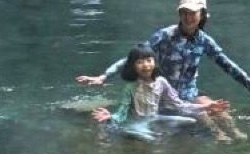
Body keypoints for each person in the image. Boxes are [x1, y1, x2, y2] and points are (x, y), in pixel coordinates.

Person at [76, 0, 250, 116]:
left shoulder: (204, 41)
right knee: (205, 117)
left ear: (202, 15)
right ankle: (219, 145)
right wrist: (104, 76)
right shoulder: (164, 36)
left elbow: (228, 66)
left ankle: (238, 143)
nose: (188, 17)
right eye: (184, 12)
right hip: (163, 97)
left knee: (222, 114)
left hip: (189, 96)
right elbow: (133, 58)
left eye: (192, 13)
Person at [91, 43, 235, 138]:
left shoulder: (162, 82)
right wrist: (111, 117)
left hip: (155, 118)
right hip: (137, 122)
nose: (145, 65)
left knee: (190, 121)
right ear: (133, 66)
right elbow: (122, 112)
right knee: (152, 139)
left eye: (148, 60)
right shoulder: (130, 87)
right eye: (139, 62)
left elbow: (179, 105)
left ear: (154, 62)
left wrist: (207, 106)